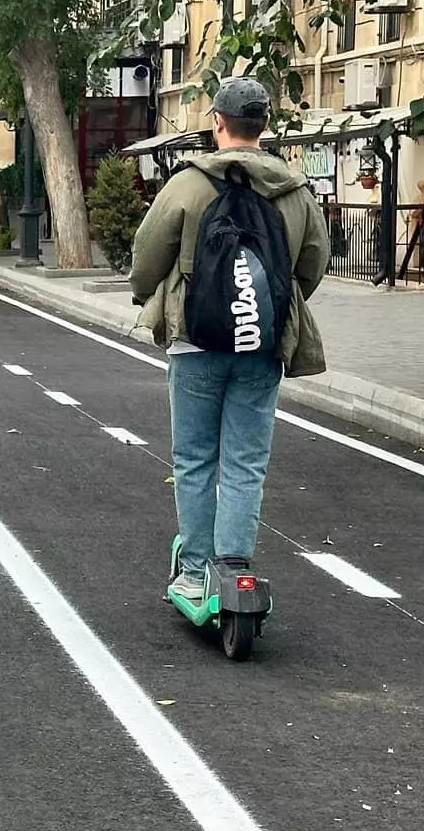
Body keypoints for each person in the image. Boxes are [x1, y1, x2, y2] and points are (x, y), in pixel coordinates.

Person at [129, 77, 327, 599]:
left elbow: (147, 256)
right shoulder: (295, 189)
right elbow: (313, 264)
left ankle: (194, 573)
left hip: (195, 342)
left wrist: (146, 292)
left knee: (194, 459)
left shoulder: (188, 184)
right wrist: (268, 303)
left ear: (217, 122)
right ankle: (232, 567)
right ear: (264, 125)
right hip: (261, 344)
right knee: (245, 462)